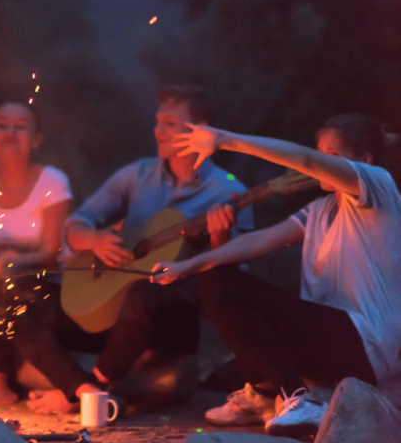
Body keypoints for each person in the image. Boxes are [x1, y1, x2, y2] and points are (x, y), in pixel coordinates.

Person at [151, 113, 401, 437]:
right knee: (216, 279)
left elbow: (305, 159)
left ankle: (297, 400)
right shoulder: (319, 210)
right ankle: (266, 393)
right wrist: (189, 265)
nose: (322, 162)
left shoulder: (377, 186)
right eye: (321, 151)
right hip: (329, 340)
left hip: (366, 347)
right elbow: (257, 242)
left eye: (333, 156)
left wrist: (225, 138)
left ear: (363, 160)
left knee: (225, 288)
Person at [26, 86, 254, 414]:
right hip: (112, 312)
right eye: (157, 122)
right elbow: (77, 222)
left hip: (171, 317)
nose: (157, 130)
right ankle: (81, 390)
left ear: (201, 130)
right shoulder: (137, 174)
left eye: (169, 123)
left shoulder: (229, 190)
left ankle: (90, 390)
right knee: (27, 308)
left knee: (144, 293)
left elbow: (231, 281)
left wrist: (219, 238)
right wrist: (93, 240)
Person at [0, 101, 72, 405]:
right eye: (2, 125)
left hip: (38, 282)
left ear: (36, 139)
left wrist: (9, 262)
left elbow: (51, 251)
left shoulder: (52, 182)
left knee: (4, 284)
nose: (10, 132)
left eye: (21, 127)